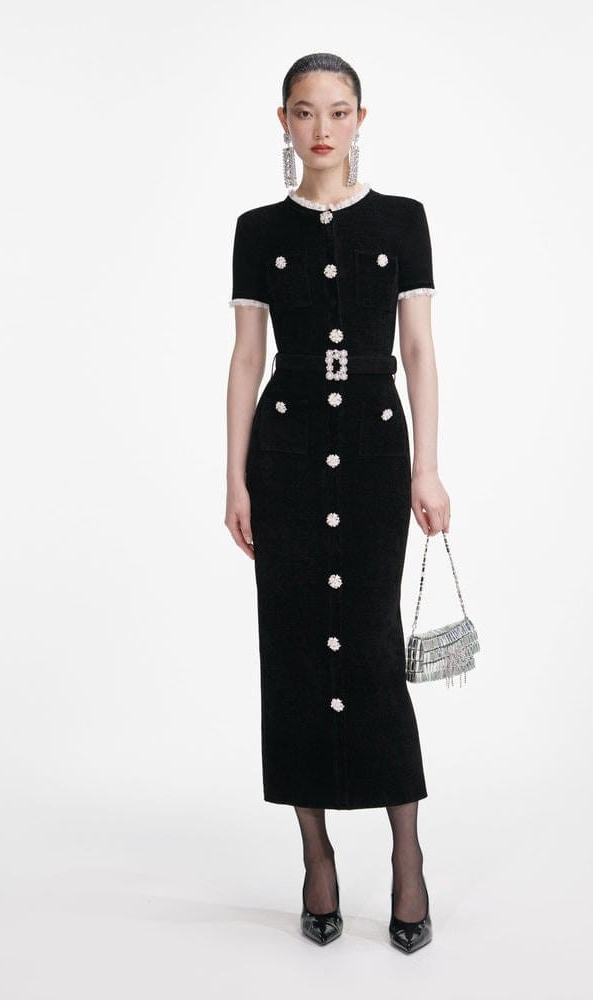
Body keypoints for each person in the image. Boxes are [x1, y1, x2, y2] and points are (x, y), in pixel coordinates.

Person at [224, 53, 450, 954]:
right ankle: (315, 856)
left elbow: (419, 350)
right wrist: (235, 477)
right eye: (305, 111)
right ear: (283, 121)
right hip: (282, 458)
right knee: (290, 650)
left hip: (372, 452)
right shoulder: (256, 229)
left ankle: (406, 855)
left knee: (370, 648)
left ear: (362, 119)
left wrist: (426, 469)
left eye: (339, 110)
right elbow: (248, 358)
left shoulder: (402, 220)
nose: (322, 128)